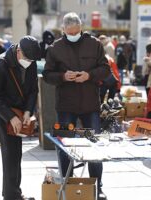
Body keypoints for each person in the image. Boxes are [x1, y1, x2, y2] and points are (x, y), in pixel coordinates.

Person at [43, 12, 110, 200]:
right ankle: (67, 183)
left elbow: (105, 69)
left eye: (76, 31)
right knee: (64, 145)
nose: (73, 34)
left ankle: (98, 185)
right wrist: (63, 76)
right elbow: (48, 75)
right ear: (63, 30)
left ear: (81, 28)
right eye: (69, 32)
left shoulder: (94, 44)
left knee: (94, 146)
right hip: (65, 106)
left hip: (90, 106)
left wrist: (89, 75)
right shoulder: (55, 48)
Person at [0, 35, 40, 200]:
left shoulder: (30, 63)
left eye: (32, 60)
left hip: (20, 112)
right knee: (10, 153)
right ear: (18, 52)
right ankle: (12, 196)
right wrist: (11, 117)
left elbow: (33, 90)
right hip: (4, 113)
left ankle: (13, 193)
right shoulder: (1, 64)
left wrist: (27, 112)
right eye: (27, 59)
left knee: (16, 153)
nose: (29, 62)